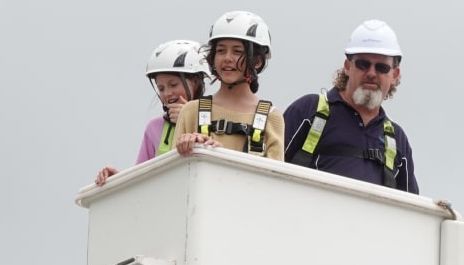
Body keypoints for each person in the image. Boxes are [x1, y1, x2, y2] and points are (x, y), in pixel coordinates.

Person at [283, 19, 418, 193]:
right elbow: (268, 171)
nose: (371, 73)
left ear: (394, 75)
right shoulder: (309, 111)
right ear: (347, 66)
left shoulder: (397, 140)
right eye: (363, 64)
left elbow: (411, 208)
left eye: (382, 67)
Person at [94, 40, 209, 185]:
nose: (167, 93)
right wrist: (116, 178)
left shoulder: (214, 115)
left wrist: (188, 117)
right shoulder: (154, 127)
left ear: (196, 82)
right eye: (161, 88)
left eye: (173, 85)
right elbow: (139, 178)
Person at [173, 11, 284, 161]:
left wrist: (222, 157)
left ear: (257, 61)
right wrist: (186, 145)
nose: (227, 58)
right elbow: (176, 172)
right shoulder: (191, 111)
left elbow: (274, 179)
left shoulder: (271, 117)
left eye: (237, 51)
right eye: (220, 51)